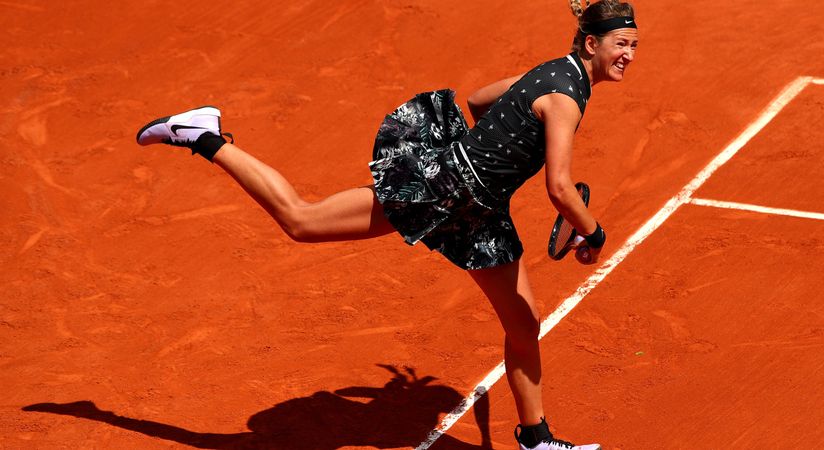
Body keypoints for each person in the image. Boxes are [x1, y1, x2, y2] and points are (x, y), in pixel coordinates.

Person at [135, 0, 638, 448]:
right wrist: (593, 233)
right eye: (621, 44)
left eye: (634, 46)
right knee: (301, 221)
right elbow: (560, 186)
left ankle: (536, 439)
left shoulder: (553, 72)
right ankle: (202, 135)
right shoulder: (568, 97)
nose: (628, 55)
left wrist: (500, 150)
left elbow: (482, 99)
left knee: (523, 326)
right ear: (592, 42)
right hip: (441, 190)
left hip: (479, 210)